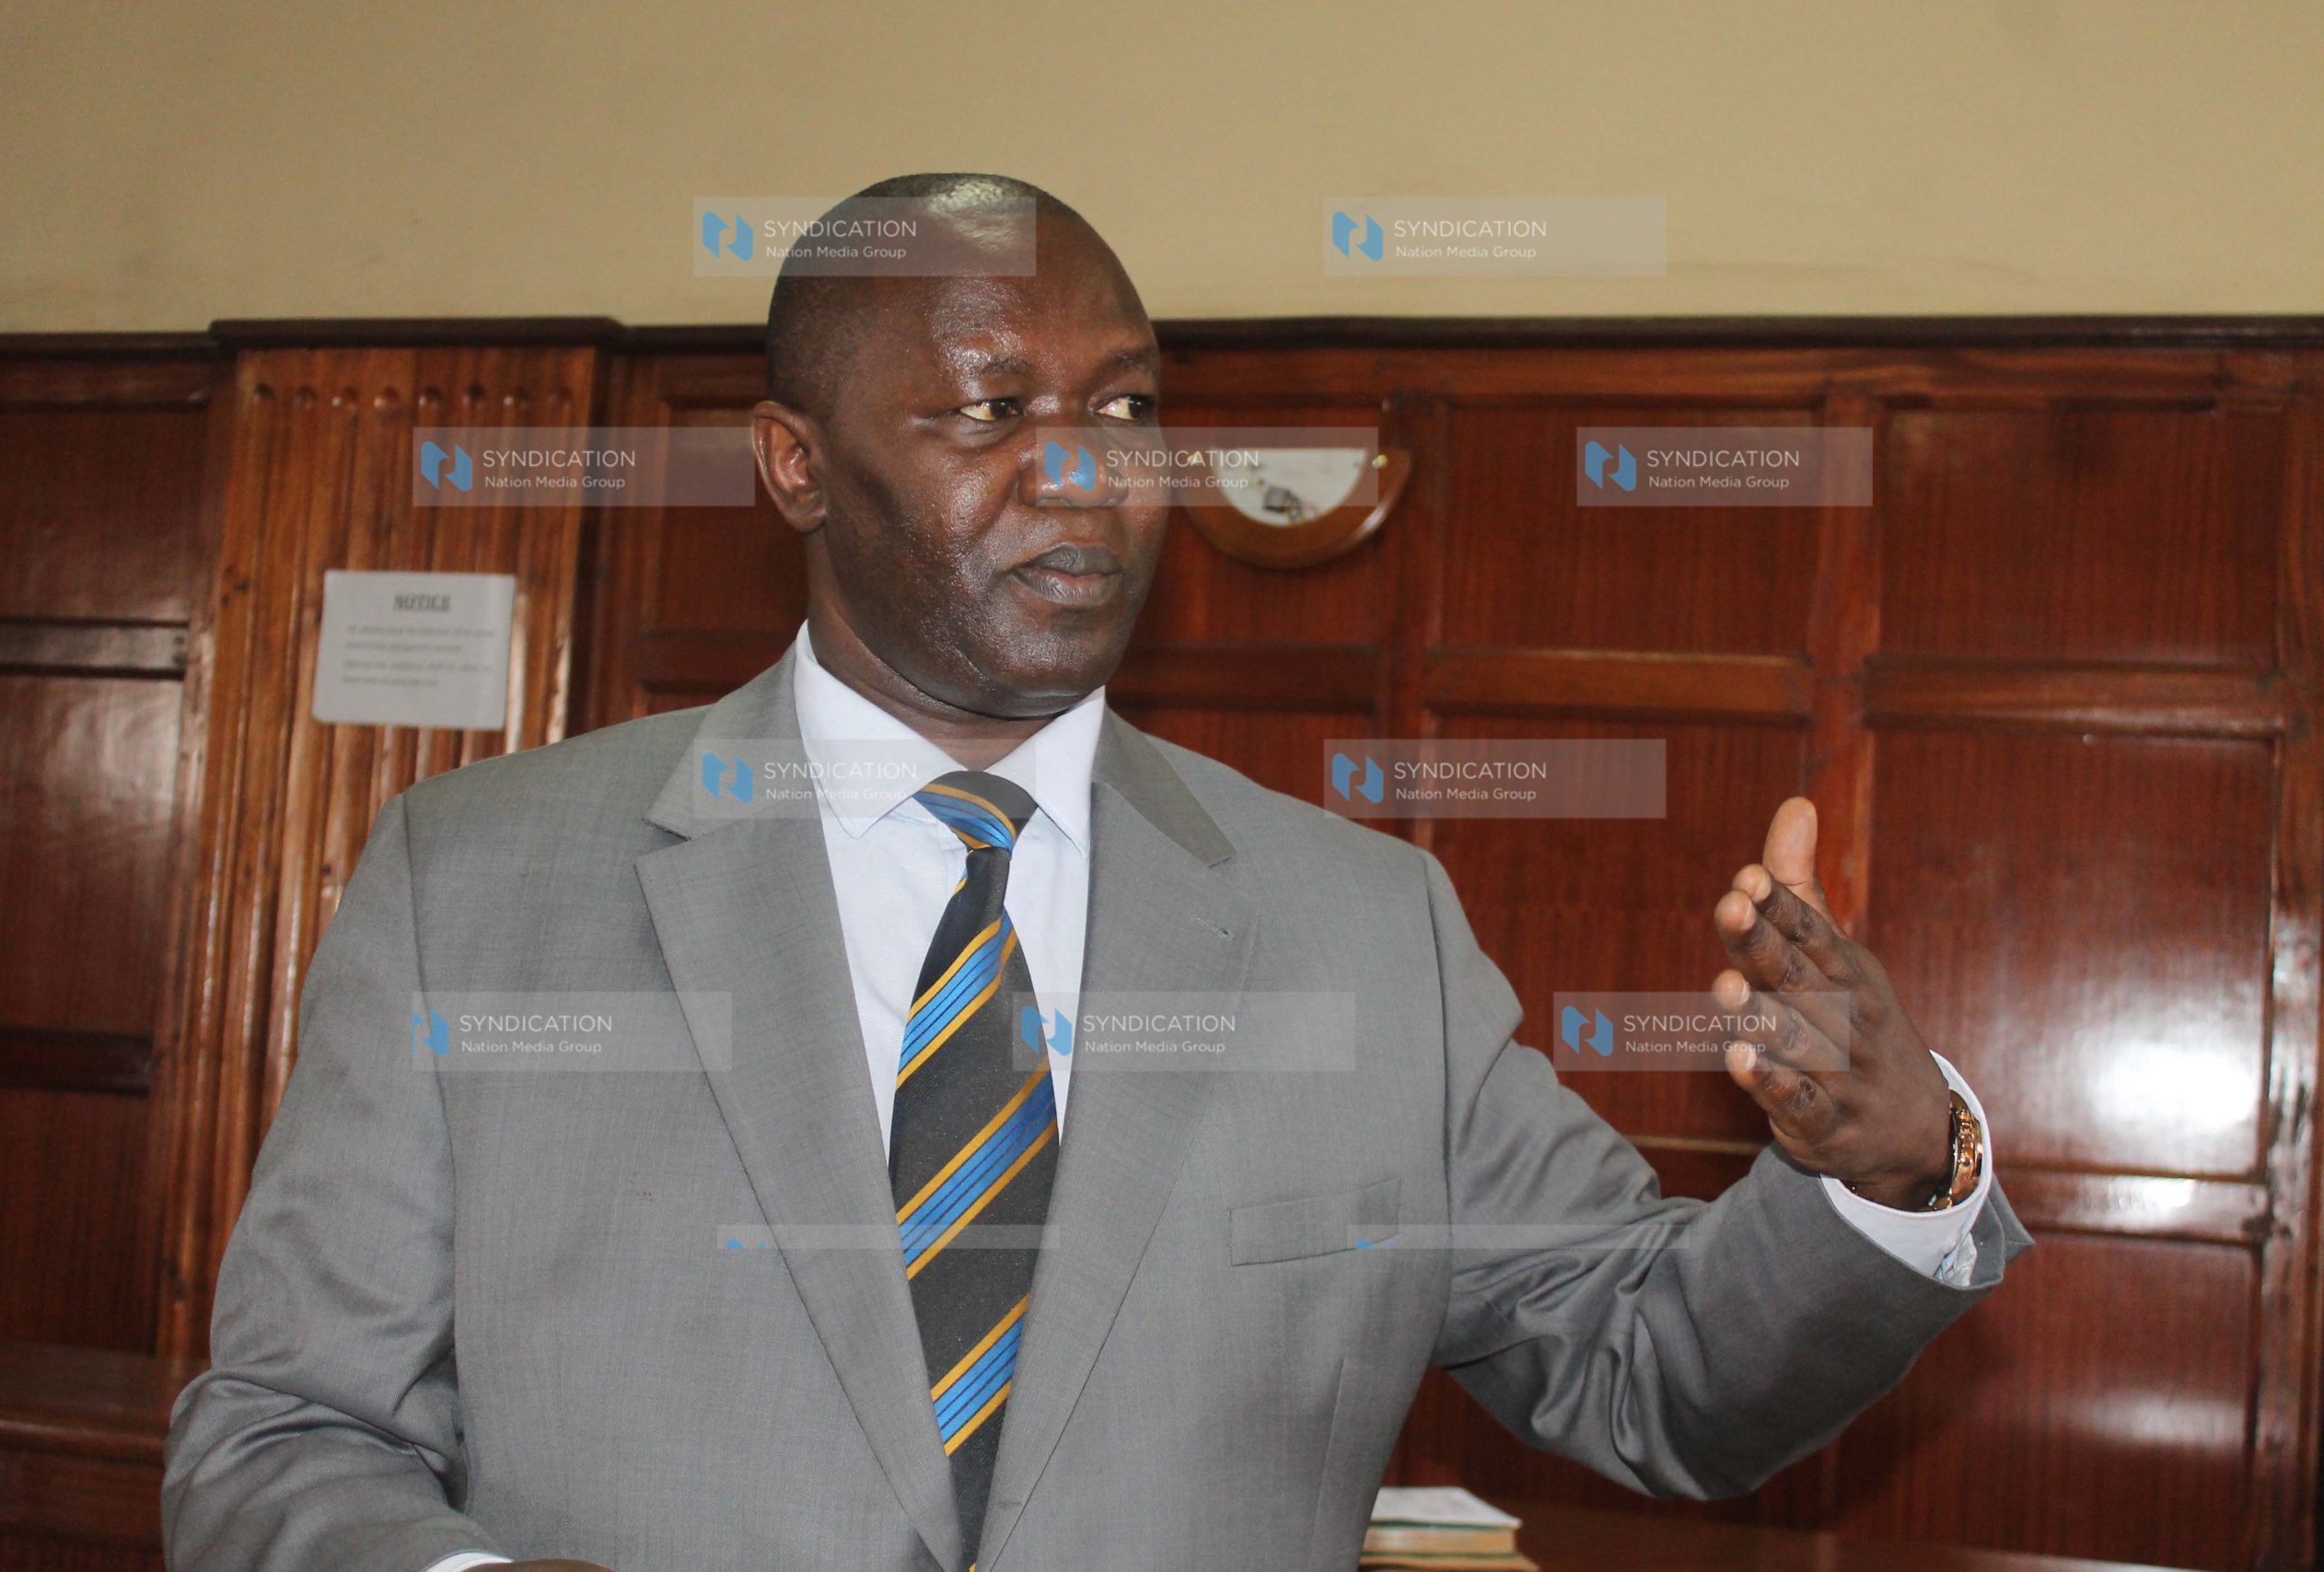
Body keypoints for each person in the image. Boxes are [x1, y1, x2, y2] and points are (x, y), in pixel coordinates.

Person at [162, 173, 2027, 1572]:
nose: (1088, 476)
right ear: (794, 465)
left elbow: (1652, 1376)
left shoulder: (1362, 929)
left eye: (1128, 411)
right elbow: (279, 1434)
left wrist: (1886, 1169)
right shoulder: (477, 885)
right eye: (990, 413)